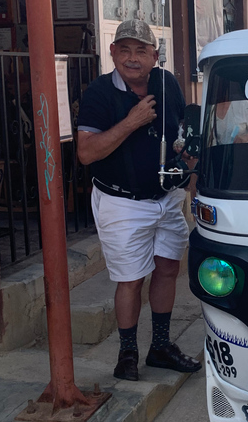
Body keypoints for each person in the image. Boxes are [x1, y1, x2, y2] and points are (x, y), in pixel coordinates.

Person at [77, 19, 201, 381]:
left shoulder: (167, 83)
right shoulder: (100, 93)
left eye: (141, 51)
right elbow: (86, 153)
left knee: (167, 268)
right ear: (113, 52)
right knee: (131, 279)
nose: (133, 58)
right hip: (122, 202)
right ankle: (127, 353)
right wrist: (131, 121)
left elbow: (180, 132)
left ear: (154, 56)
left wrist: (188, 155)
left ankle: (160, 347)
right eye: (125, 50)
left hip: (166, 197)